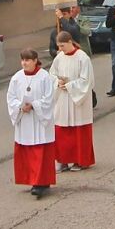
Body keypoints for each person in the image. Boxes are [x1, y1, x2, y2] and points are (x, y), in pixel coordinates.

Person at [6, 49, 56, 197]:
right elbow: (11, 98)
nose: (24, 63)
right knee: (28, 152)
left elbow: (49, 99)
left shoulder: (44, 77)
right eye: (22, 60)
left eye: (27, 60)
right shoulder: (16, 78)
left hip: (39, 121)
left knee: (40, 152)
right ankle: (32, 179)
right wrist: (20, 106)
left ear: (35, 61)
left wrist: (34, 105)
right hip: (25, 120)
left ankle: (40, 182)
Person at [48, 31, 94, 171]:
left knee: (79, 131)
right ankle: (63, 160)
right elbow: (51, 74)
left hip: (78, 101)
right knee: (62, 130)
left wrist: (69, 85)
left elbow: (87, 81)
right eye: (58, 46)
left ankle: (80, 161)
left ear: (70, 42)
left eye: (62, 45)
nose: (60, 49)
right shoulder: (59, 57)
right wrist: (57, 82)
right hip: (62, 98)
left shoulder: (83, 58)